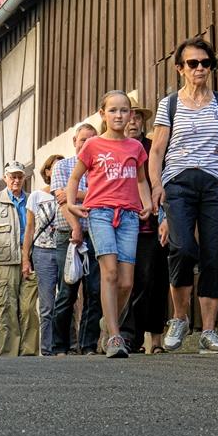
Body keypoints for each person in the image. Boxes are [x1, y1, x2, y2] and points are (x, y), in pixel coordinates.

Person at [149, 37, 218, 355]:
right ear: (180, 68)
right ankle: (180, 318)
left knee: (214, 255)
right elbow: (156, 149)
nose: (200, 68)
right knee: (182, 247)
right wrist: (156, 185)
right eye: (193, 63)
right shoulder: (169, 105)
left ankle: (209, 330)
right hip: (178, 184)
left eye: (205, 63)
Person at [65, 91, 152, 359]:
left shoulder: (135, 148)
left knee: (126, 282)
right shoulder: (92, 146)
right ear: (103, 114)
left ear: (131, 115)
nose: (119, 115)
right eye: (113, 110)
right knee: (110, 273)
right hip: (100, 214)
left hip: (128, 217)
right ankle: (115, 335)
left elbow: (139, 180)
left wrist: (146, 202)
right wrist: (70, 203)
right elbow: (75, 177)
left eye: (124, 110)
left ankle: (108, 319)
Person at [118, 98, 168, 353]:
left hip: (153, 224)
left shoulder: (153, 149)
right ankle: (131, 337)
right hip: (124, 225)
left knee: (156, 280)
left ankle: (156, 339)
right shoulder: (116, 149)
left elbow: (165, 182)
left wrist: (166, 217)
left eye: (138, 117)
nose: (133, 121)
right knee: (130, 282)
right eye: (130, 116)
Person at [0, 161, 39, 356]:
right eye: (13, 176)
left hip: (29, 256)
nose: (16, 180)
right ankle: (9, 354)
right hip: (4, 261)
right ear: (5, 178)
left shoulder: (31, 200)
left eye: (20, 176)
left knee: (29, 308)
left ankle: (28, 352)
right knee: (7, 307)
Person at [50, 123, 100, 356]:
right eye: (82, 140)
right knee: (67, 292)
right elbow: (62, 202)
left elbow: (103, 197)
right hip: (68, 235)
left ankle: (88, 345)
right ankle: (60, 346)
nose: (86, 143)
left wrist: (76, 194)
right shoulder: (63, 165)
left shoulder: (100, 167)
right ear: (74, 142)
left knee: (95, 292)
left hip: (96, 234)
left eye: (91, 139)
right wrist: (76, 228)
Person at [23, 154, 64, 356]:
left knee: (67, 301)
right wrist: (25, 259)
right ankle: (47, 349)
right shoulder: (36, 196)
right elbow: (29, 229)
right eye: (54, 168)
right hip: (43, 252)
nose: (58, 171)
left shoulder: (68, 193)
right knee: (47, 304)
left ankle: (66, 346)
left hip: (65, 249)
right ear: (47, 172)